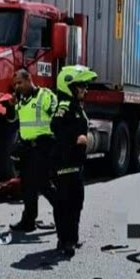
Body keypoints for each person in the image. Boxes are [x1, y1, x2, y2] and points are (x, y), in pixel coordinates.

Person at [51, 65, 97, 257]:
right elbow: (56, 127)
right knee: (65, 203)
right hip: (65, 162)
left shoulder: (76, 106)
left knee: (76, 202)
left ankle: (71, 239)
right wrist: (75, 139)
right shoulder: (65, 106)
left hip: (76, 162)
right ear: (69, 86)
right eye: (81, 86)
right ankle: (66, 240)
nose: (85, 90)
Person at [4, 69, 58, 232]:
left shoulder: (45, 96)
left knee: (43, 183)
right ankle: (28, 221)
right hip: (27, 147)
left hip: (43, 146)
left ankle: (63, 211)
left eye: (20, 82)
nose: (17, 87)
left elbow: (57, 118)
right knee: (28, 185)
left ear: (29, 80)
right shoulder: (21, 100)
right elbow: (12, 119)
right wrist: (11, 106)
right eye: (15, 84)